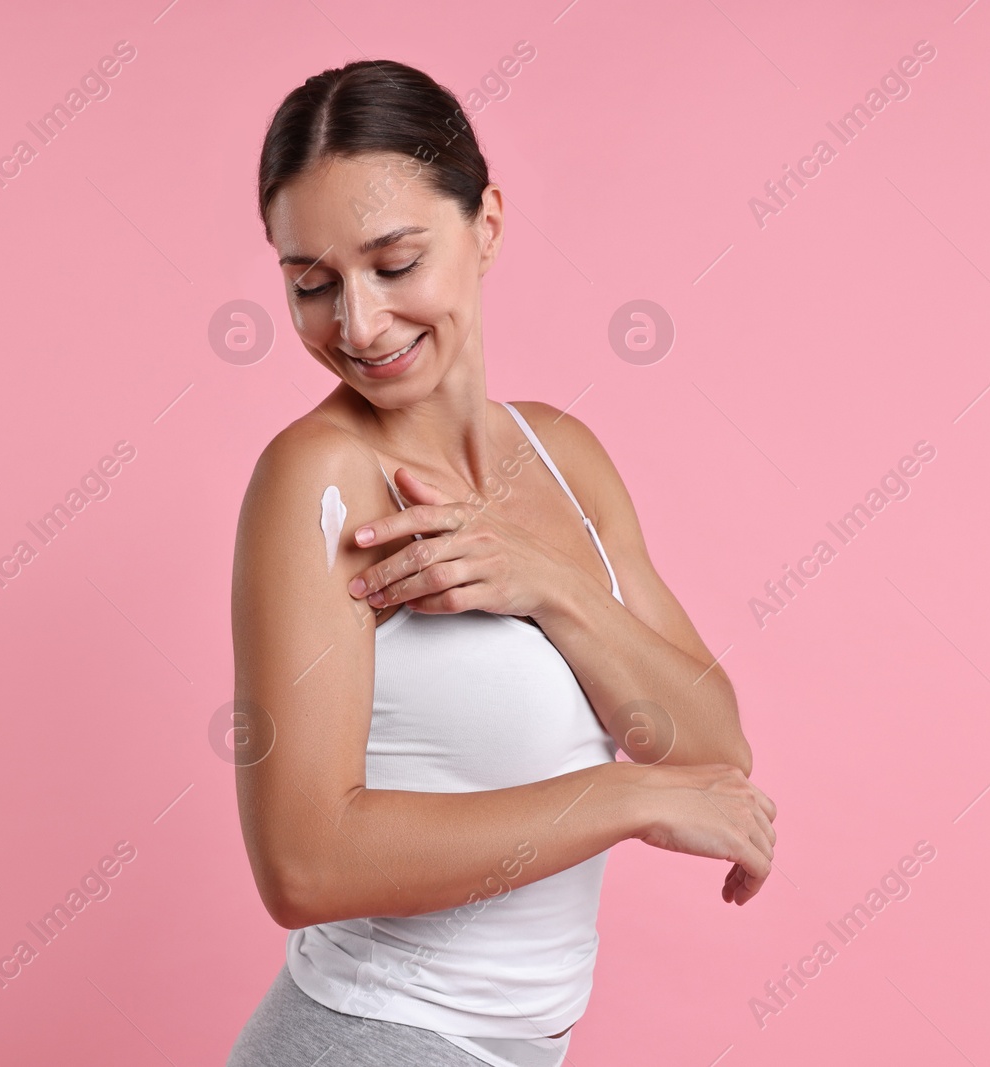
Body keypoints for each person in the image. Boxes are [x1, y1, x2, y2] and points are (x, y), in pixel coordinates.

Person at [227, 58, 778, 1067]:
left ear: (485, 223)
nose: (356, 323)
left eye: (394, 262)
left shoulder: (563, 458)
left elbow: (708, 741)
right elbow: (303, 864)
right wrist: (621, 798)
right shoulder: (321, 477)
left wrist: (551, 583)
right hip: (368, 1039)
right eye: (311, 284)